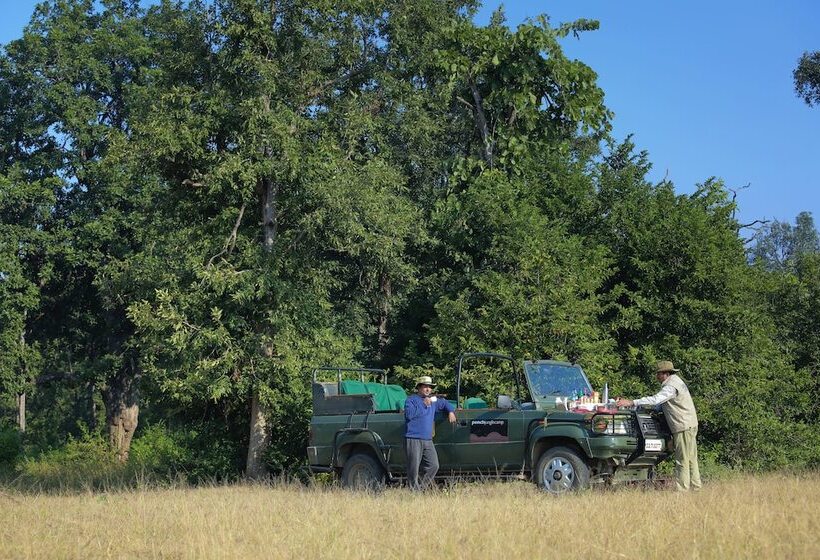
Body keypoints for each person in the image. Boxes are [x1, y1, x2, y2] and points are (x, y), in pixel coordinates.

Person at [616, 360, 702, 492]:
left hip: (682, 425)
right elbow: (662, 404)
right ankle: (696, 488)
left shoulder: (670, 386)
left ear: (665, 373)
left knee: (682, 460)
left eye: (658, 374)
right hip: (690, 424)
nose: (656, 377)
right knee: (691, 458)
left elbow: (656, 399)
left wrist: (632, 402)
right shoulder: (677, 381)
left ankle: (682, 490)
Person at [404, 375, 456, 490]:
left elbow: (444, 403)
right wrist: (424, 404)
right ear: (419, 388)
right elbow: (409, 415)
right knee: (413, 468)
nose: (428, 389)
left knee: (434, 465)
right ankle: (414, 493)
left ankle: (420, 489)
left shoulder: (433, 401)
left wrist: (451, 411)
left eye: (430, 387)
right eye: (425, 387)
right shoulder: (411, 400)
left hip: (427, 439)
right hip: (413, 438)